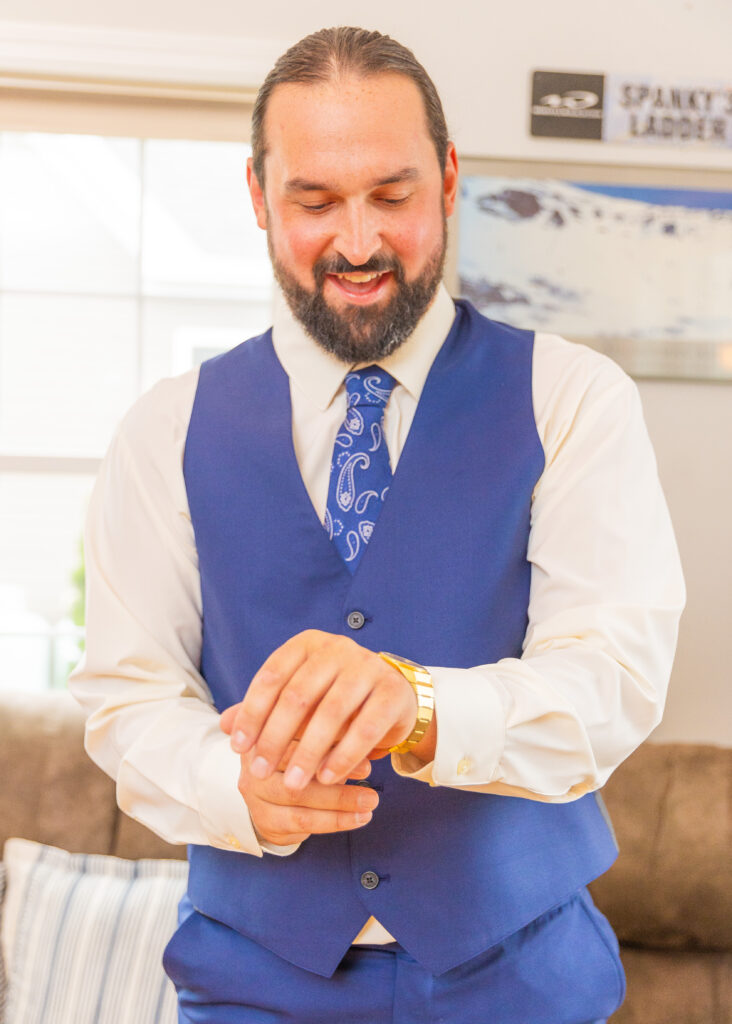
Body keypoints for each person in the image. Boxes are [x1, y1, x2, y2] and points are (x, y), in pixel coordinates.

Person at [70, 25, 685, 1024]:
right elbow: (126, 698)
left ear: (448, 180)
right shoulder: (163, 431)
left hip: (525, 981)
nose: (357, 242)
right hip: (250, 983)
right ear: (259, 197)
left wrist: (420, 706)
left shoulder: (575, 399)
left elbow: (611, 678)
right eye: (315, 201)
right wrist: (230, 788)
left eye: (391, 195)